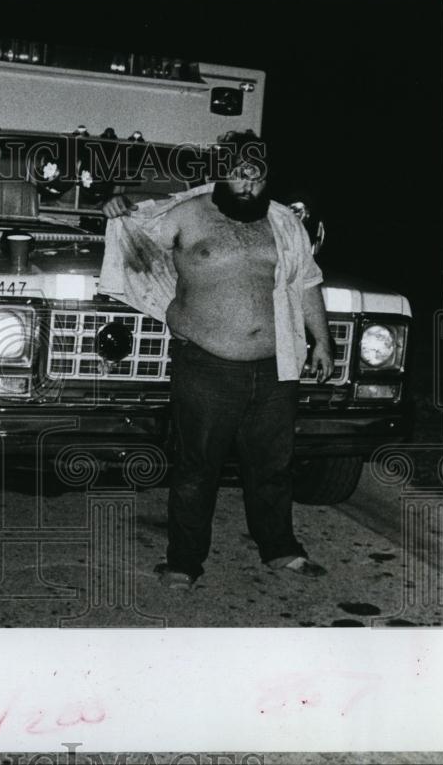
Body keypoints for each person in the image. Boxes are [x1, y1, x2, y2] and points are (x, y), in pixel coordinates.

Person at [101, 131, 333, 589]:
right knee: (196, 468)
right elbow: (135, 229)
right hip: (207, 366)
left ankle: (280, 548)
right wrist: (115, 206)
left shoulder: (284, 223)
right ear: (221, 170)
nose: (248, 185)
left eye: (258, 175)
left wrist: (322, 341)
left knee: (272, 466)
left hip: (275, 367)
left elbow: (306, 283)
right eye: (240, 172)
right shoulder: (187, 214)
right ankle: (184, 562)